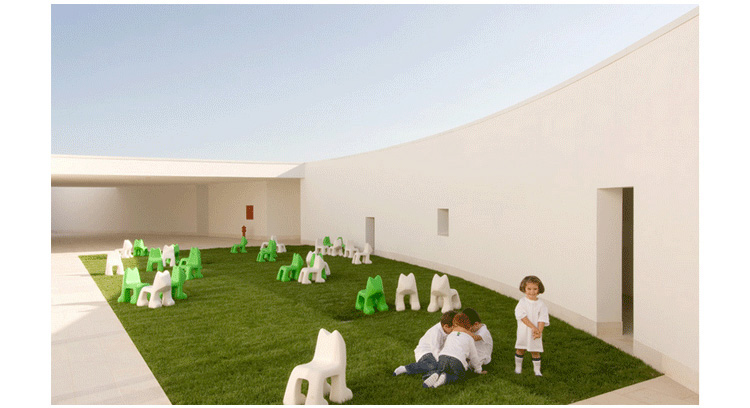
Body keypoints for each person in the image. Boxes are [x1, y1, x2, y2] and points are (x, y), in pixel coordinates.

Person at [422, 313, 486, 388]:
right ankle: (446, 378)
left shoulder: (450, 335)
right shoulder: (469, 338)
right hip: (456, 360)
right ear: (468, 327)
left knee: (444, 368)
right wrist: (478, 370)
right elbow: (474, 357)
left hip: (442, 357)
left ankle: (438, 373)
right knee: (461, 376)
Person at [393, 311, 457, 376]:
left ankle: (433, 376)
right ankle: (406, 368)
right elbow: (435, 350)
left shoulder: (448, 331)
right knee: (433, 365)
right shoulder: (436, 332)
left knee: (438, 368)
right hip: (425, 353)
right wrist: (442, 363)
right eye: (454, 328)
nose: (456, 330)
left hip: (435, 354)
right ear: (446, 326)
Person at [514, 275, 550, 376]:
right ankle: (518, 367)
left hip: (535, 333)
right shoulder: (522, 302)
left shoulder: (541, 304)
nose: (532, 292)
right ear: (524, 289)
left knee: (535, 351)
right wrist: (533, 327)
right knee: (521, 349)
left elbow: (542, 319)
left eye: (535, 289)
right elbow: (522, 316)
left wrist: (539, 331)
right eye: (529, 289)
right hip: (523, 331)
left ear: (539, 289)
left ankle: (537, 370)